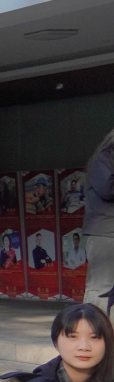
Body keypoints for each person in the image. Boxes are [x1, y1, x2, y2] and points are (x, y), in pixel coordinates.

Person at [90, 127, 114, 310]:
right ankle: (91, 327)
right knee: (100, 289)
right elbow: (107, 189)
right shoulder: (102, 159)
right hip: (105, 233)